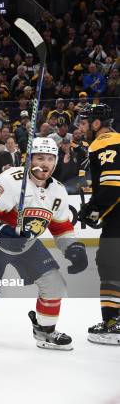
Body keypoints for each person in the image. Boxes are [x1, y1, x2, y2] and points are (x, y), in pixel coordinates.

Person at [0, 137, 87, 351]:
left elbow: (61, 226)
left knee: (55, 284)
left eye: (50, 158)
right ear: (30, 159)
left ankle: (45, 332)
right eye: (40, 157)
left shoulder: (58, 191)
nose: (45, 163)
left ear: (56, 162)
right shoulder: (11, 180)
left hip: (25, 243)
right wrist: (4, 232)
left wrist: (74, 247)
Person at [77, 104, 120, 344]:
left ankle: (114, 323)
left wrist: (94, 210)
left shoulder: (104, 142)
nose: (81, 128)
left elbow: (113, 186)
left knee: (110, 264)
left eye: (84, 123)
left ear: (96, 124)